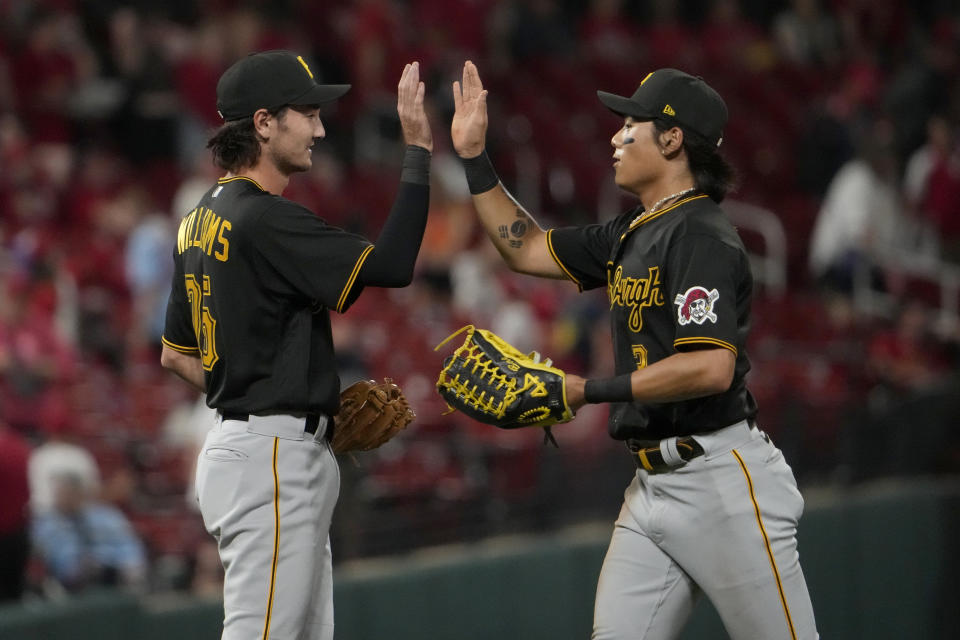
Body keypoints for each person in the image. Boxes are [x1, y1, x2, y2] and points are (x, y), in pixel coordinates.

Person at [450, 62, 818, 639]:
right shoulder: (632, 231)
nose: (615, 136)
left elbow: (711, 366)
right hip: (651, 488)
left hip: (723, 482)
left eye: (631, 124)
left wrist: (585, 389)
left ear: (672, 139)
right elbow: (527, 250)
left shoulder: (701, 234)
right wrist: (475, 158)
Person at [159, 50, 433, 640]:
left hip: (256, 446)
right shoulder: (264, 219)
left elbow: (176, 354)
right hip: (271, 458)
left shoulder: (198, 219)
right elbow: (393, 265)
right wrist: (418, 151)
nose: (321, 127)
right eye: (307, 113)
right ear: (263, 123)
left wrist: (261, 392)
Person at [30, 470, 147, 594]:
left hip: (116, 576)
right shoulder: (47, 524)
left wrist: (128, 566)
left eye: (71, 492)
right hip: (71, 584)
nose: (66, 497)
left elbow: (129, 546)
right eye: (61, 493)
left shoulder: (106, 516)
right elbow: (55, 559)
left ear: (80, 493)